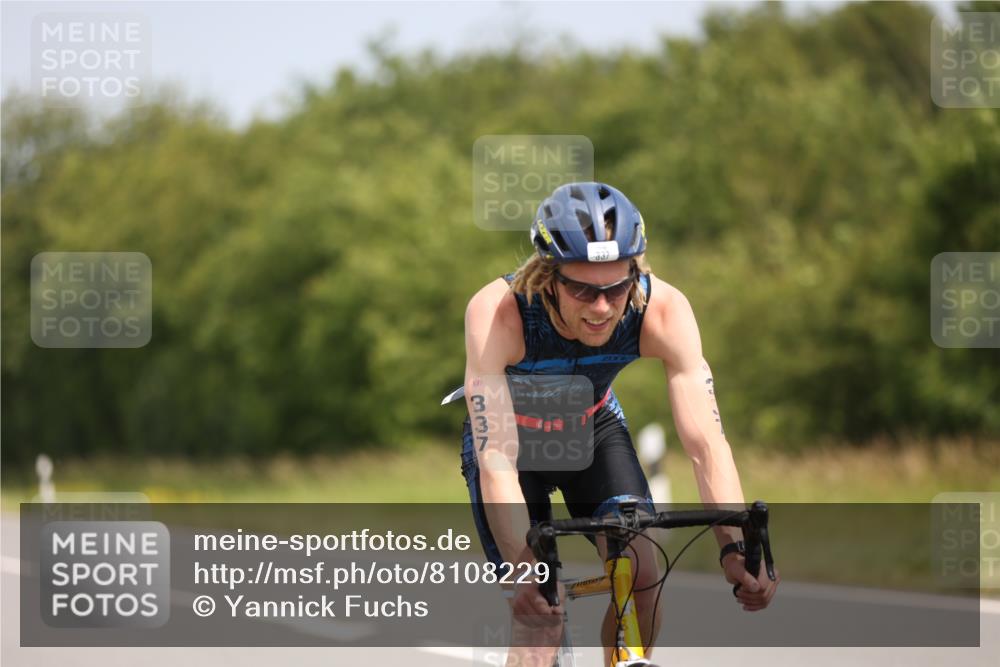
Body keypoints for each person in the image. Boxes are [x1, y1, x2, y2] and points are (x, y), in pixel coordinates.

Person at [457, 182, 778, 666]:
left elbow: (707, 446)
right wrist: (525, 573)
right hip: (513, 445)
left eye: (615, 287)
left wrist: (733, 548)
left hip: (591, 424)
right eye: (582, 288)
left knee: (643, 573)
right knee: (541, 614)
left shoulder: (661, 309)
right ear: (549, 276)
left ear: (635, 271)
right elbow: (497, 458)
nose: (602, 306)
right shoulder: (499, 313)